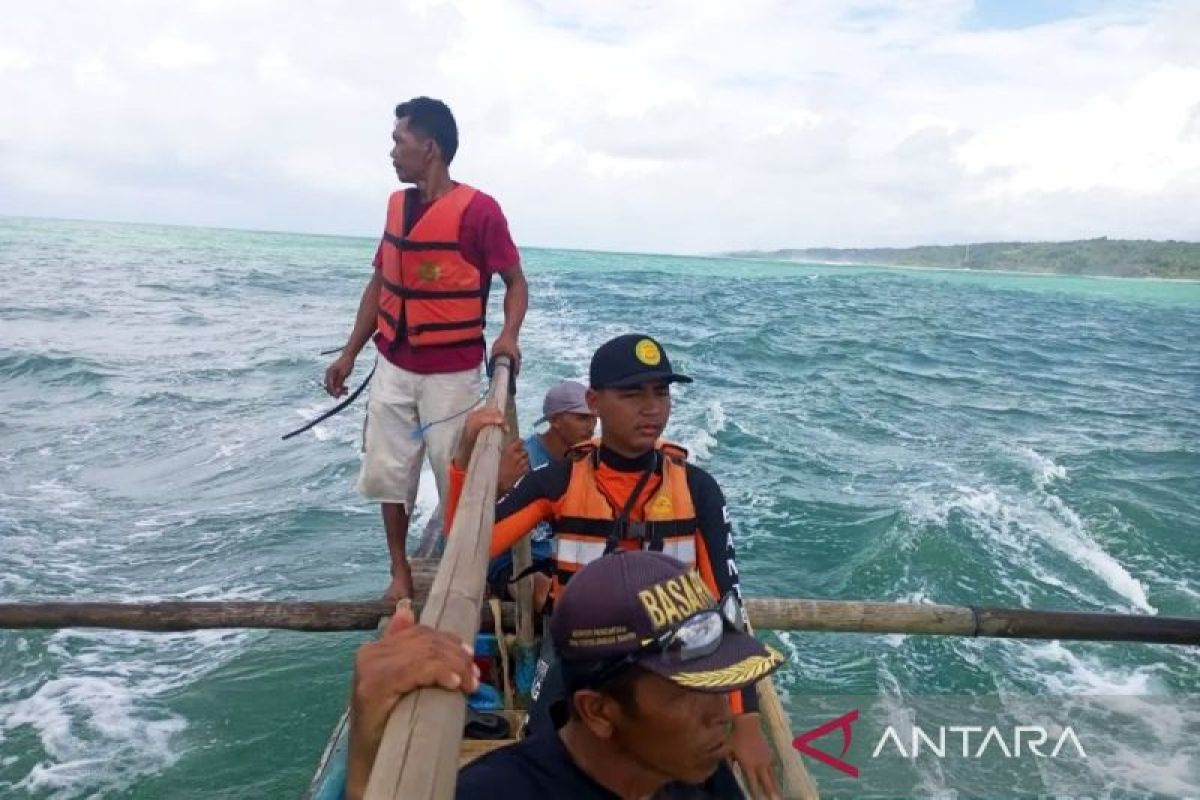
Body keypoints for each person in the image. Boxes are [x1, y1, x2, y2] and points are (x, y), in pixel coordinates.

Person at [444, 334, 780, 797]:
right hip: (579, 658)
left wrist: (744, 719)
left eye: (661, 393)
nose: (652, 409)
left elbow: (727, 602)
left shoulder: (697, 488)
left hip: (676, 665)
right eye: (632, 394)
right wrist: (465, 465)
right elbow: (467, 549)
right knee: (549, 753)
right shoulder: (560, 479)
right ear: (594, 401)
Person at [347, 549, 786, 800]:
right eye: (688, 692)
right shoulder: (493, 795)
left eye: (717, 683)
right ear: (598, 712)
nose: (720, 715)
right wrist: (366, 758)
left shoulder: (698, 774)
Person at [323, 96, 528, 602]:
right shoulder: (396, 207)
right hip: (393, 364)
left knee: (454, 473)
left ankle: (464, 576)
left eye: (400, 141)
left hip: (451, 374)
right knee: (388, 473)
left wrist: (508, 337)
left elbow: (516, 282)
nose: (392, 152)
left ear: (429, 148)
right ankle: (399, 573)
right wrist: (349, 353)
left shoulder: (480, 211)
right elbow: (380, 284)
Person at [487, 380, 597, 608]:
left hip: (562, 556)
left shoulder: (587, 458)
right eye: (581, 418)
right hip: (515, 562)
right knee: (540, 588)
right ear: (555, 420)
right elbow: (484, 520)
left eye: (594, 418)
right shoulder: (521, 460)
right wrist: (499, 487)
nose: (591, 426)